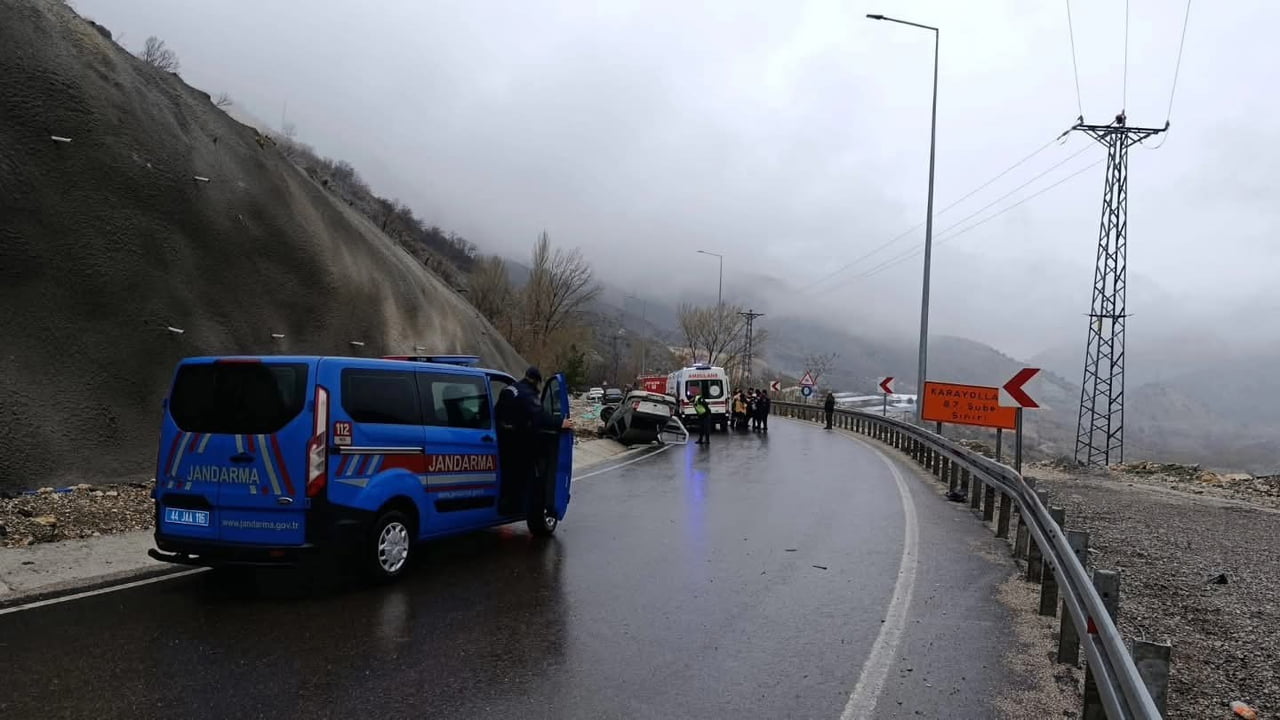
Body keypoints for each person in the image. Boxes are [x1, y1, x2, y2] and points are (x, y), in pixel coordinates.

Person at [495, 366, 572, 516]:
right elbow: (539, 416)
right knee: (526, 476)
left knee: (508, 477)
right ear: (537, 382)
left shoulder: (510, 389)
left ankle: (507, 504)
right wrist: (560, 423)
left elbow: (497, 411)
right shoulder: (527, 394)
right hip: (518, 443)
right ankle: (518, 507)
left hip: (501, 439)